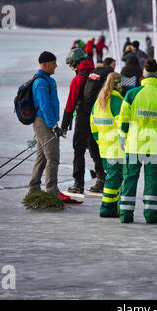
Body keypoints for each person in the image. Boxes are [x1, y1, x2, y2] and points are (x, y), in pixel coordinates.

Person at [117, 59, 157, 224]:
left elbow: (123, 120)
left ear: (144, 74)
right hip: (155, 146)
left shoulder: (132, 94)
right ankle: (151, 215)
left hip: (134, 144)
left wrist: (123, 140)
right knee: (152, 180)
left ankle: (125, 215)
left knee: (129, 178)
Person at [62, 55, 115, 194]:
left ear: (75, 63)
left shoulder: (78, 78)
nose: (70, 67)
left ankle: (78, 184)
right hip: (96, 117)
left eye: (70, 65)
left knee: (79, 149)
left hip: (82, 118)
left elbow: (70, 103)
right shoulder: (94, 75)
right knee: (94, 147)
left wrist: (64, 124)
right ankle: (102, 179)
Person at [28, 51, 73, 203]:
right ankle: (52, 190)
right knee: (52, 156)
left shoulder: (47, 80)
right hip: (43, 122)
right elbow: (44, 105)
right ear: (45, 64)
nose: (56, 66)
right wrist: (52, 125)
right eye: (53, 63)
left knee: (42, 157)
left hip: (46, 121)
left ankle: (34, 187)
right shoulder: (40, 82)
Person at [90, 72, 125, 217]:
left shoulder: (99, 102)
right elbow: (123, 125)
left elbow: (93, 127)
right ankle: (106, 208)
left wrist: (100, 142)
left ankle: (112, 207)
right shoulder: (117, 102)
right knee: (115, 179)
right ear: (119, 85)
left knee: (112, 177)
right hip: (117, 148)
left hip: (104, 148)